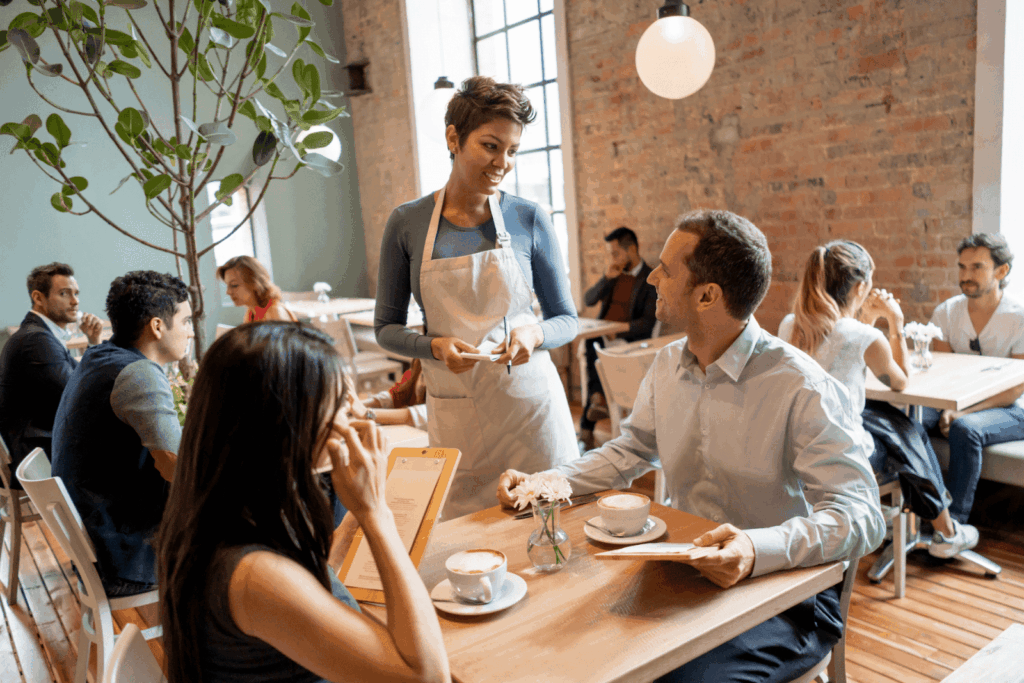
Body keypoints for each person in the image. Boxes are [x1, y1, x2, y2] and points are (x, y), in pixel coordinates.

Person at [497, 210, 885, 683]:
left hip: (784, 595)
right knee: (562, 648)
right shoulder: (665, 366)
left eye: (666, 269)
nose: (653, 278)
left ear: (707, 295)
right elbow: (628, 452)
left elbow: (862, 516)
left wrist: (755, 547)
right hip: (681, 574)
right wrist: (544, 483)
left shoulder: (802, 386)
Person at [157, 322, 450, 683]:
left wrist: (351, 524)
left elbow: (312, 575)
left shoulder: (219, 512)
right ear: (287, 419)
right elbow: (428, 676)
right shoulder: (254, 576)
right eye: (342, 402)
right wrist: (376, 514)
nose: (357, 415)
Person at [374, 76, 579, 518]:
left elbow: (566, 319)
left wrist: (534, 334)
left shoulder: (528, 218)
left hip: (532, 418)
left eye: (512, 151)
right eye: (490, 146)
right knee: (469, 547)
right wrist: (433, 346)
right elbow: (385, 329)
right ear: (454, 138)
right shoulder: (407, 223)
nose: (503, 162)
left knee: (550, 540)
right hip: (457, 419)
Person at [778, 240, 979, 559]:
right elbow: (900, 381)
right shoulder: (864, 335)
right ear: (860, 286)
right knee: (906, 430)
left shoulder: (790, 325)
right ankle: (944, 530)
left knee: (893, 422)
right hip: (839, 454)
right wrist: (894, 322)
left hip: (793, 447)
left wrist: (865, 320)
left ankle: (926, 525)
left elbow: (841, 360)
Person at [51, 271, 193, 596]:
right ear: (157, 326)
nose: (190, 332)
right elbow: (175, 466)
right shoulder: (138, 373)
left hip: (102, 543)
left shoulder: (99, 356)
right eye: (185, 322)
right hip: (127, 555)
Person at [922, 233, 1024, 541]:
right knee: (907, 417)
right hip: (956, 403)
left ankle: (952, 529)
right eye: (962, 267)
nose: (966, 276)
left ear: (1001, 271)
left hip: (1011, 409)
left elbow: (1014, 389)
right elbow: (942, 374)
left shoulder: (1018, 318)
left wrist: (960, 411)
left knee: (965, 429)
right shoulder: (947, 312)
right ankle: (926, 509)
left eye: (977, 267)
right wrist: (949, 408)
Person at [0, 263, 103, 483]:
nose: (75, 301)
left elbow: (80, 383)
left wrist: (93, 343)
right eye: (64, 293)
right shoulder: (36, 340)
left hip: (38, 446)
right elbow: (79, 395)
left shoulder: (39, 335)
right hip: (36, 456)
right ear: (38, 298)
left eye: (76, 294)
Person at [579, 226, 657, 449]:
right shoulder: (613, 276)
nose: (612, 259)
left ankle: (588, 425)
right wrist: (606, 278)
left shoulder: (649, 279)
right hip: (603, 337)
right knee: (591, 341)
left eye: (615, 253)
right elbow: (589, 300)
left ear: (631, 249)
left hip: (627, 341)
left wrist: (619, 328)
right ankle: (597, 398)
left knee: (596, 348)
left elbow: (648, 323)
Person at [216, 255, 297, 322]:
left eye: (234, 285)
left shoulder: (275, 313)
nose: (228, 292)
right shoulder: (251, 313)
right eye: (227, 285)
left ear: (255, 283)